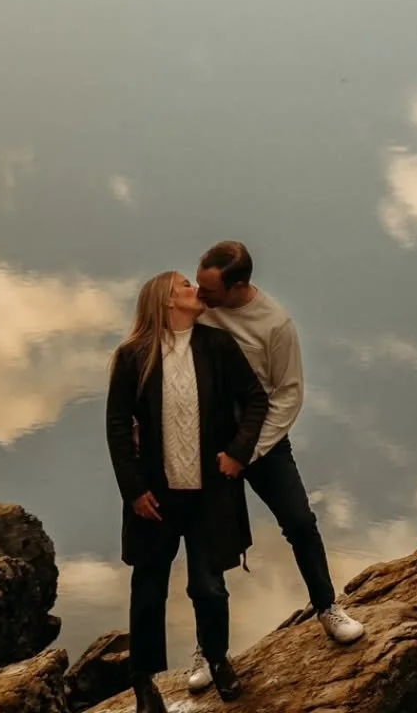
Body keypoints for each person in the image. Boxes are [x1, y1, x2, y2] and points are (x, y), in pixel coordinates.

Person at [193, 238, 364, 692]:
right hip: (208, 444)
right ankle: (208, 650)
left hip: (262, 442)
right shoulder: (198, 309)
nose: (199, 296)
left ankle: (327, 607)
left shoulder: (275, 324)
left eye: (208, 290)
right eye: (198, 285)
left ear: (239, 285)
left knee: (300, 522)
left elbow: (288, 393)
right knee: (208, 544)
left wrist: (248, 452)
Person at [106, 271, 270, 710]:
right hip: (154, 500)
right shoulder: (132, 356)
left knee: (209, 587)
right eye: (184, 286)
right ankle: (144, 686)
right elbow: (118, 428)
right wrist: (134, 491)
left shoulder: (217, 347)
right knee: (147, 592)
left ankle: (218, 660)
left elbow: (257, 399)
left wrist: (238, 453)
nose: (195, 291)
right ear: (165, 302)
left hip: (208, 495)